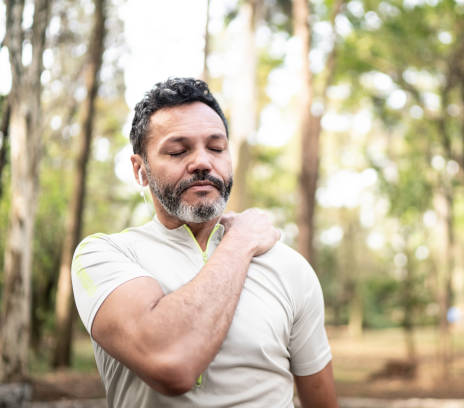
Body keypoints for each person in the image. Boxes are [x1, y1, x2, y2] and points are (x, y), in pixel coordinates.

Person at [72, 77, 338, 408]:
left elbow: (321, 399)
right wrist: (239, 243)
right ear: (140, 170)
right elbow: (170, 362)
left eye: (216, 148)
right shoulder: (104, 255)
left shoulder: (288, 266)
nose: (202, 161)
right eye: (177, 150)